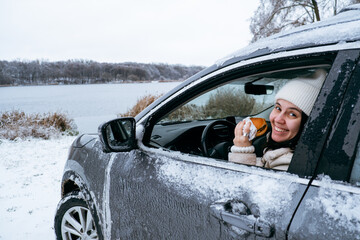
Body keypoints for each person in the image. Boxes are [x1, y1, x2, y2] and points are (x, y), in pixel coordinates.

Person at [228, 69, 327, 171]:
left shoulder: (289, 163)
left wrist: (242, 151)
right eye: (278, 108)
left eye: (292, 114)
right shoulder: (280, 146)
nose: (278, 119)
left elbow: (245, 185)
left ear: (307, 124)